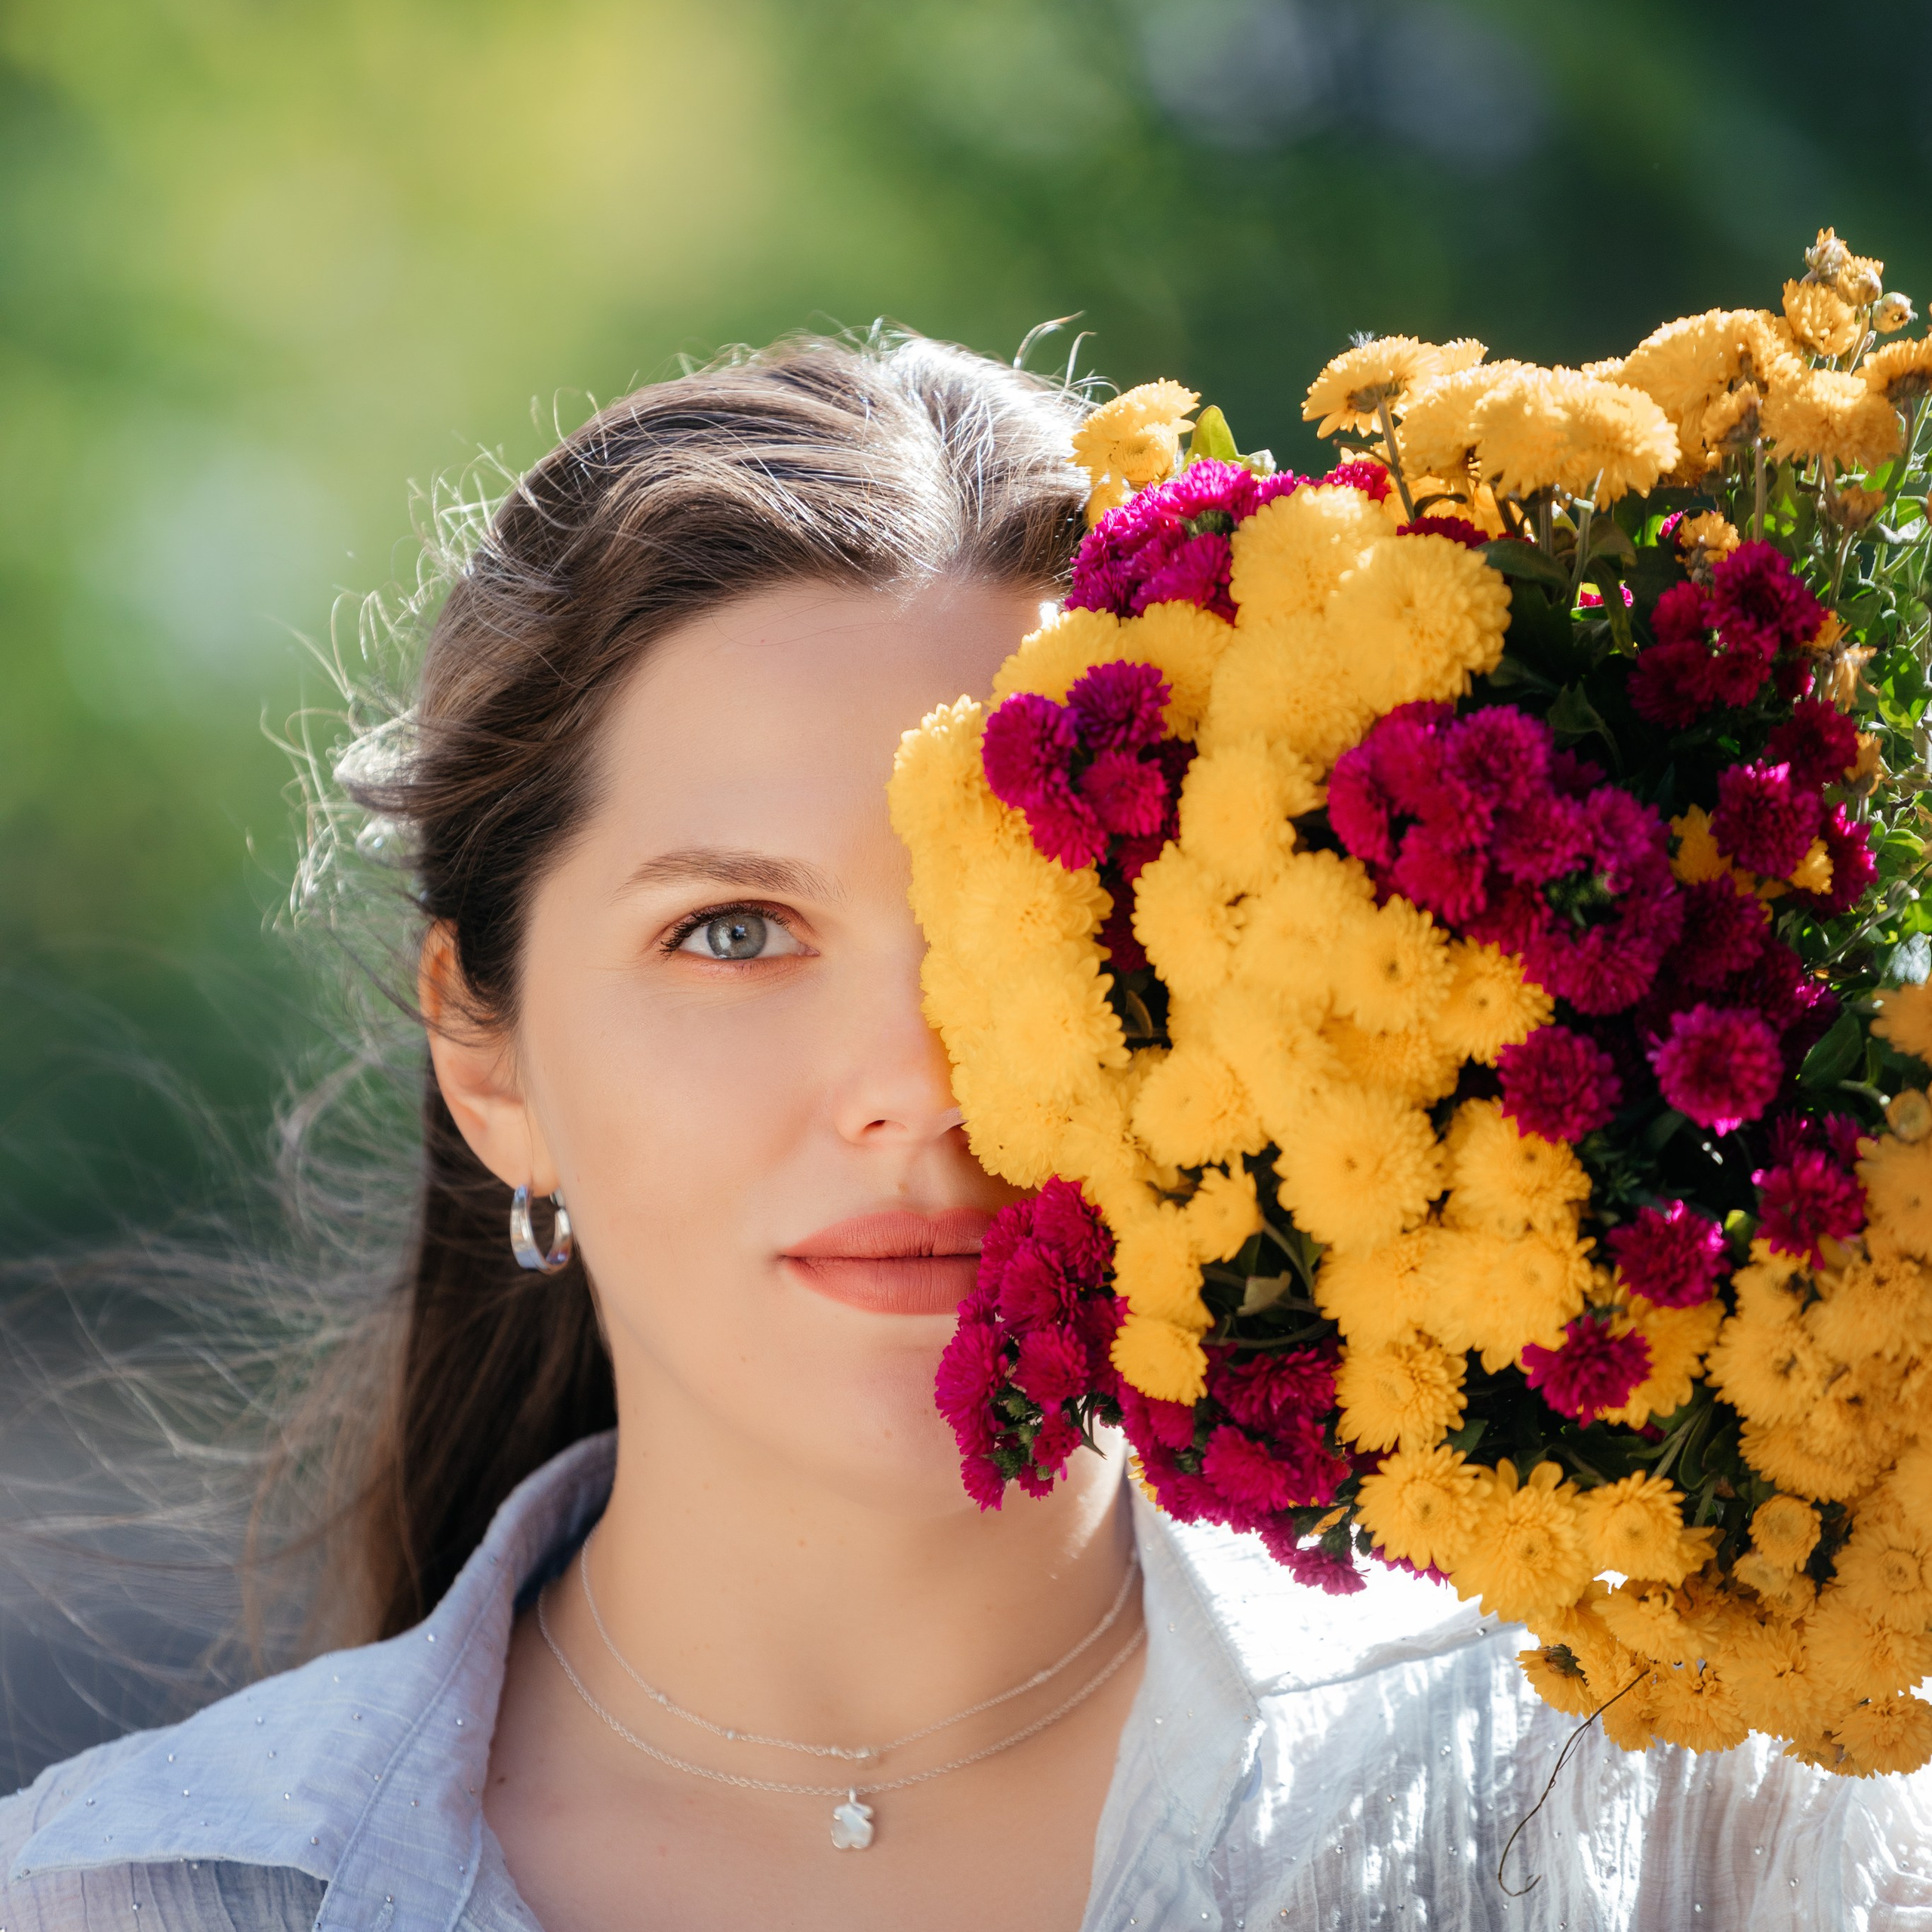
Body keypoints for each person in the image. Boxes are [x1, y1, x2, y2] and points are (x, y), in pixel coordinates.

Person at [0, 332, 1927, 1932]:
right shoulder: (132, 1894)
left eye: (1045, 913)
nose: (918, 1081)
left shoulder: (1677, 1827)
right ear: (487, 1056)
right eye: (731, 931)